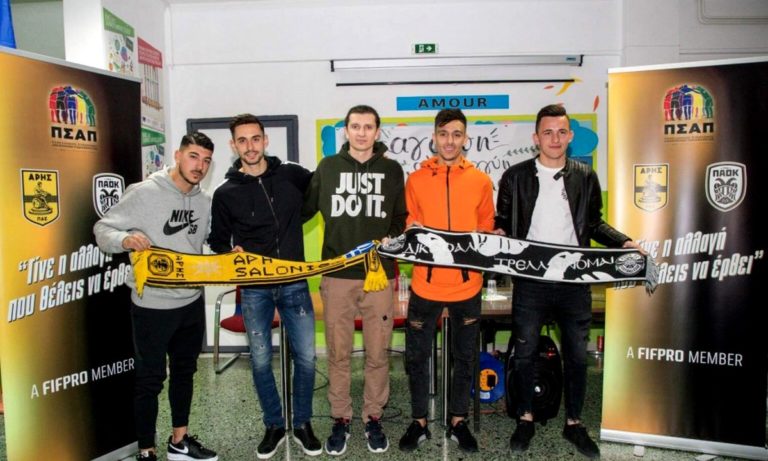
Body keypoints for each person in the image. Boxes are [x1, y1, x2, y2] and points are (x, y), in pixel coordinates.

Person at [495, 104, 644, 459]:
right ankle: (525, 418)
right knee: (525, 352)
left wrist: (623, 242)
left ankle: (574, 423)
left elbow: (593, 224)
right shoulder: (515, 177)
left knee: (577, 355)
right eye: (547, 132)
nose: (555, 139)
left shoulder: (585, 176)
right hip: (531, 279)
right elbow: (502, 221)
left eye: (561, 132)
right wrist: (497, 233)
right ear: (536, 138)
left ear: (570, 136)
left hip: (575, 280)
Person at [93, 132, 218, 461]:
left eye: (206, 160)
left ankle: (180, 441)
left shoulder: (204, 201)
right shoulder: (144, 192)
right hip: (152, 304)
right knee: (150, 379)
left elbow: (207, 240)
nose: (199, 166)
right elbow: (102, 230)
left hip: (191, 302)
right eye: (193, 156)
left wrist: (228, 251)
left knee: (184, 373)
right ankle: (146, 449)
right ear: (178, 155)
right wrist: (125, 239)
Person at [208, 114, 320, 459]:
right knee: (259, 360)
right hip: (255, 289)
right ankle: (273, 424)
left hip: (294, 283)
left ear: (265, 140)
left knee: (307, 357)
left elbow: (323, 189)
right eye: (242, 140)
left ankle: (302, 423)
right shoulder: (225, 193)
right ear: (233, 145)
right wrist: (229, 252)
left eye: (255, 139)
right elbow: (217, 240)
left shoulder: (292, 174)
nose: (250, 146)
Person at [303, 104, 407, 456]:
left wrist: (391, 237)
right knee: (338, 353)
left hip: (379, 276)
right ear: (346, 131)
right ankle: (340, 418)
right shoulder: (328, 167)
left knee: (378, 353)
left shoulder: (392, 170)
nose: (362, 133)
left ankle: (373, 416)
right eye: (355, 126)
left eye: (368, 127)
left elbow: (400, 218)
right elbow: (303, 211)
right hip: (337, 277)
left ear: (377, 132)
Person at [397, 109, 495, 454]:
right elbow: (409, 225)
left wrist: (489, 236)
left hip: (467, 287)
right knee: (416, 357)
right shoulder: (416, 179)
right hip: (425, 285)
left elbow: (486, 227)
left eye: (456, 134)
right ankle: (419, 422)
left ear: (465, 138)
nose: (449, 141)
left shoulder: (481, 180)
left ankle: (457, 421)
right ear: (434, 137)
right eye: (443, 134)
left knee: (464, 358)